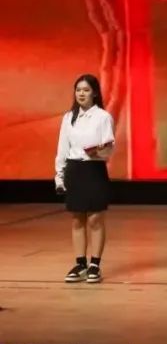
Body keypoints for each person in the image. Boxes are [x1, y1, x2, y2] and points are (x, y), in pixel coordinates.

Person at [55, 74, 115, 284]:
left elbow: (108, 148)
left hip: (94, 169)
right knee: (77, 218)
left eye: (86, 90)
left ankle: (94, 264)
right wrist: (59, 175)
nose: (81, 93)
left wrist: (97, 152)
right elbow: (62, 148)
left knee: (95, 218)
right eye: (78, 90)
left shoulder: (103, 117)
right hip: (74, 170)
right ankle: (80, 263)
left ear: (95, 93)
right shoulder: (68, 117)